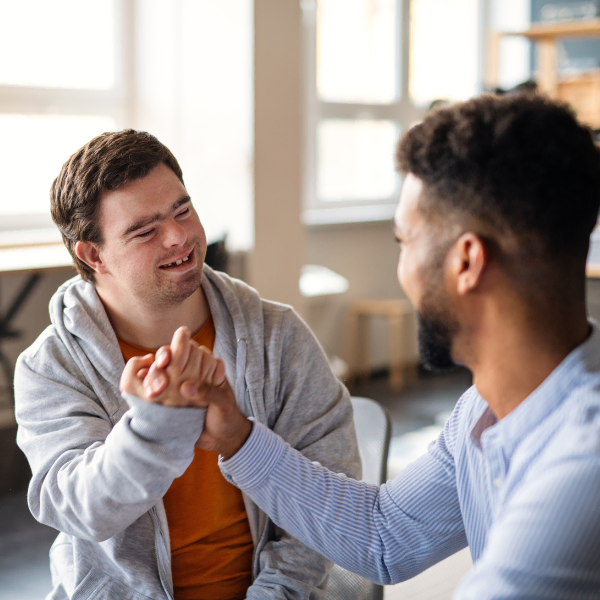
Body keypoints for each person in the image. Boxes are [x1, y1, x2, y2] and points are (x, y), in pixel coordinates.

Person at [132, 93, 600, 598]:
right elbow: (385, 537)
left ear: (466, 263)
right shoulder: (486, 410)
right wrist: (238, 437)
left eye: (404, 241)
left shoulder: (582, 467)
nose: (402, 269)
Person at [14, 129, 360, 600]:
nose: (179, 237)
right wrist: (156, 426)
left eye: (183, 210)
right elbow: (80, 509)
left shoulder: (277, 335)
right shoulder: (50, 366)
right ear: (94, 255)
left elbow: (326, 495)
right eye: (145, 230)